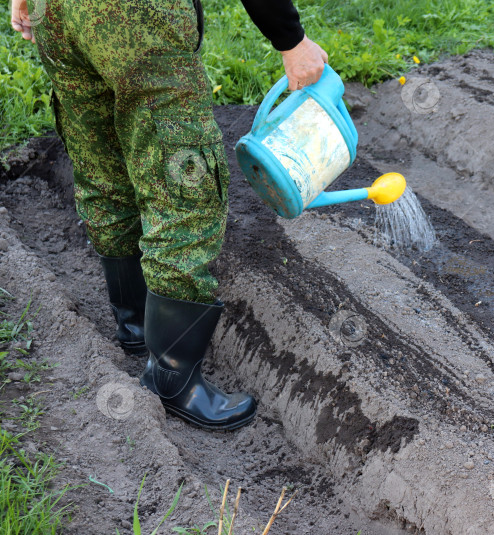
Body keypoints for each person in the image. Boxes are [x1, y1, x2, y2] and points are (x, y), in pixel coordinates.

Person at [10, 0, 327, 431]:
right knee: (184, 185)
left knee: (103, 161)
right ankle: (172, 378)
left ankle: (135, 323)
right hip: (135, 18)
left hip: (58, 14)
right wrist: (290, 38)